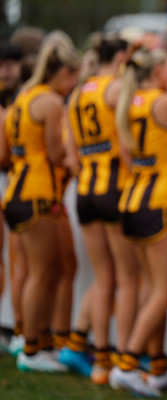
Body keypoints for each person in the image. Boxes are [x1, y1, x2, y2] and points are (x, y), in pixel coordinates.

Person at [108, 46, 167, 397]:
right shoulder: (166, 101)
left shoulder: (129, 101)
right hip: (158, 202)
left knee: (151, 288)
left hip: (132, 198)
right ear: (160, 69)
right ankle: (128, 364)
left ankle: (156, 367)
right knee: (165, 291)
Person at [63, 32, 141, 385]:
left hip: (86, 190)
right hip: (116, 187)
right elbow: (127, 143)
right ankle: (121, 360)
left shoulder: (79, 91)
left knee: (102, 277)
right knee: (127, 280)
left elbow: (71, 151)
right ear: (123, 55)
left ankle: (99, 360)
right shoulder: (116, 87)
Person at [1, 30, 80, 372]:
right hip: (37, 194)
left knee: (44, 271)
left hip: (21, 190)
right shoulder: (48, 100)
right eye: (73, 79)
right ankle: (33, 349)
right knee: (41, 273)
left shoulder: (23, 96)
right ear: (63, 74)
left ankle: (39, 342)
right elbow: (56, 152)